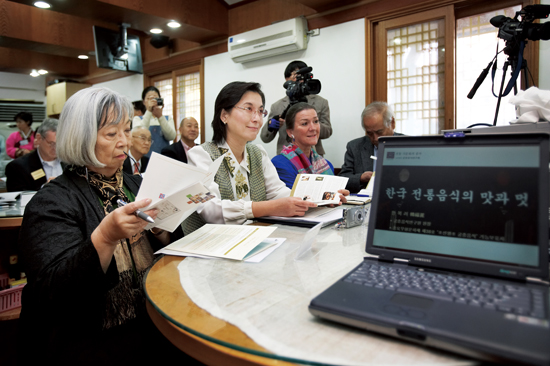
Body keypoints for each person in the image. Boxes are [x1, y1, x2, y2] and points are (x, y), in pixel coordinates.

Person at [17, 87, 190, 366]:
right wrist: (106, 237)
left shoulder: (136, 184)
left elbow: (170, 250)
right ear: (80, 138)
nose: (125, 141)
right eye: (111, 134)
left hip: (155, 315)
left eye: (127, 129)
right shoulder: (51, 201)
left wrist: (160, 228)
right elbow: (53, 292)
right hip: (92, 334)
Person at [183, 81, 318, 235]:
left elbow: (278, 192)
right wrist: (267, 208)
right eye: (248, 109)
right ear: (224, 115)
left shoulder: (257, 153)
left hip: (252, 239)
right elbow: (210, 210)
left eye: (260, 111)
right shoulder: (200, 155)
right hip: (209, 245)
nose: (257, 119)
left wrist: (322, 198)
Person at [260, 60, 332, 155]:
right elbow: (265, 138)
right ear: (286, 79)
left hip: (314, 155)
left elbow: (327, 132)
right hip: (286, 157)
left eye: (302, 76)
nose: (300, 80)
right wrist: (270, 126)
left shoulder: (321, 102)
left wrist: (313, 123)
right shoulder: (277, 106)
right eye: (295, 76)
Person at [339, 101, 403, 193]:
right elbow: (343, 179)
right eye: (369, 133)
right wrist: (361, 178)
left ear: (392, 123)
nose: (375, 138)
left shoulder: (408, 145)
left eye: (379, 132)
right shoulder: (355, 147)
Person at [271, 102, 335, 189]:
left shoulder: (326, 165)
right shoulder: (280, 164)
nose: (313, 128)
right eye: (305, 123)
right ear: (290, 132)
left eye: (316, 121)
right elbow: (294, 199)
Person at [6, 118, 63, 192]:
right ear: (39, 138)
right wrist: (45, 189)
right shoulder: (17, 167)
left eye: (60, 144)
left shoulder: (71, 163)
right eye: (52, 143)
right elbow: (18, 199)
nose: (56, 148)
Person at [132, 86, 176, 158]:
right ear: (144, 102)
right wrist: (149, 111)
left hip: (164, 157)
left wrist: (160, 116)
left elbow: (171, 136)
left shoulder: (167, 119)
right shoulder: (137, 119)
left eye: (155, 98)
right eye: (149, 98)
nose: (153, 101)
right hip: (144, 158)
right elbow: (140, 133)